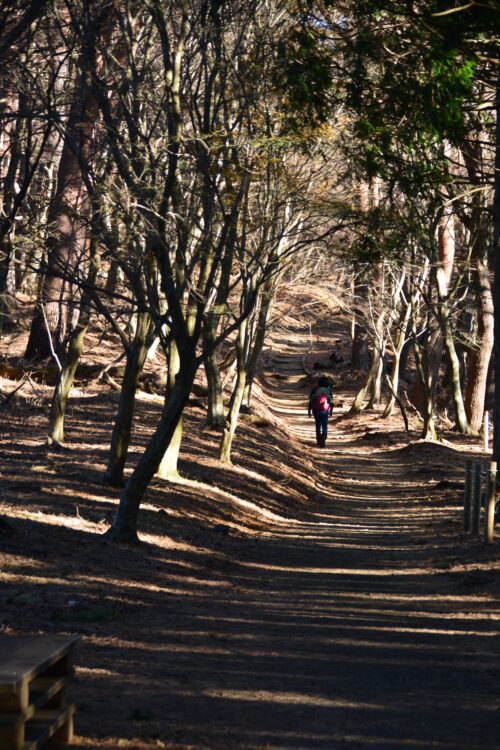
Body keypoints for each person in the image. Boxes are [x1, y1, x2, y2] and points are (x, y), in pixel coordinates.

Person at [308, 376, 333, 447]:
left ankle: (318, 440)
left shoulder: (315, 389)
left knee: (318, 424)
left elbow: (311, 401)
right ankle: (324, 437)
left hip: (316, 410)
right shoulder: (328, 390)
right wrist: (331, 411)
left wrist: (309, 411)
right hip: (325, 410)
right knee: (324, 425)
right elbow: (331, 401)